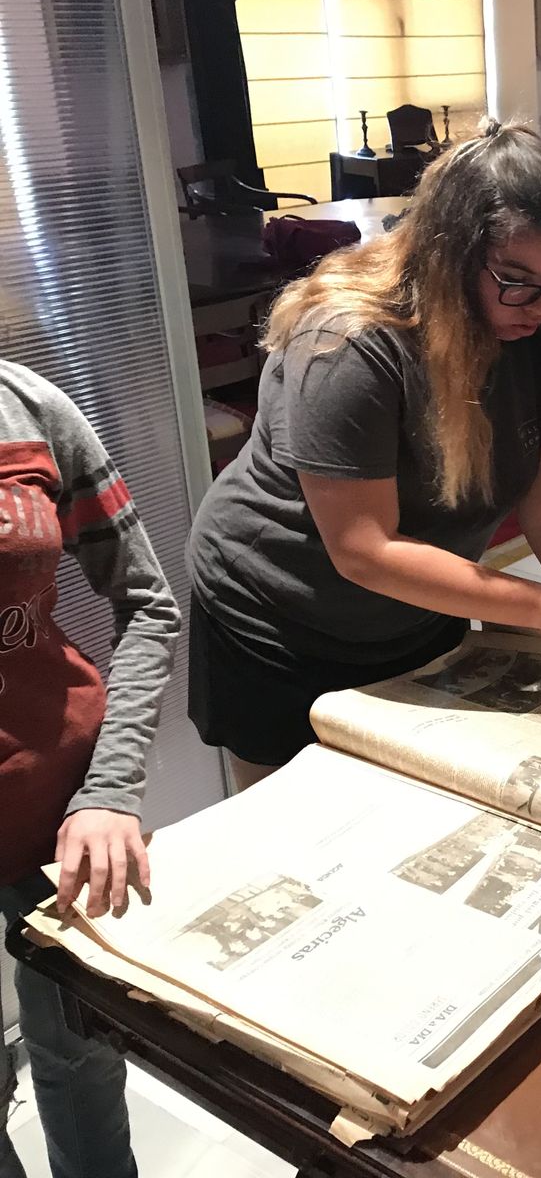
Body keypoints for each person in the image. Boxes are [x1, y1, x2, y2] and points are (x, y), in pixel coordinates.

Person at [187, 121, 541, 791]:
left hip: (417, 608)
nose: (539, 306)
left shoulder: (538, 338)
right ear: (448, 254)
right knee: (295, 828)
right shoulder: (350, 342)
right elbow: (363, 548)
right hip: (279, 617)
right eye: (515, 280)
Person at [1, 360, 181, 1178]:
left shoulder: (29, 408)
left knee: (81, 1054)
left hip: (55, 811)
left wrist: (109, 790)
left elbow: (147, 602)